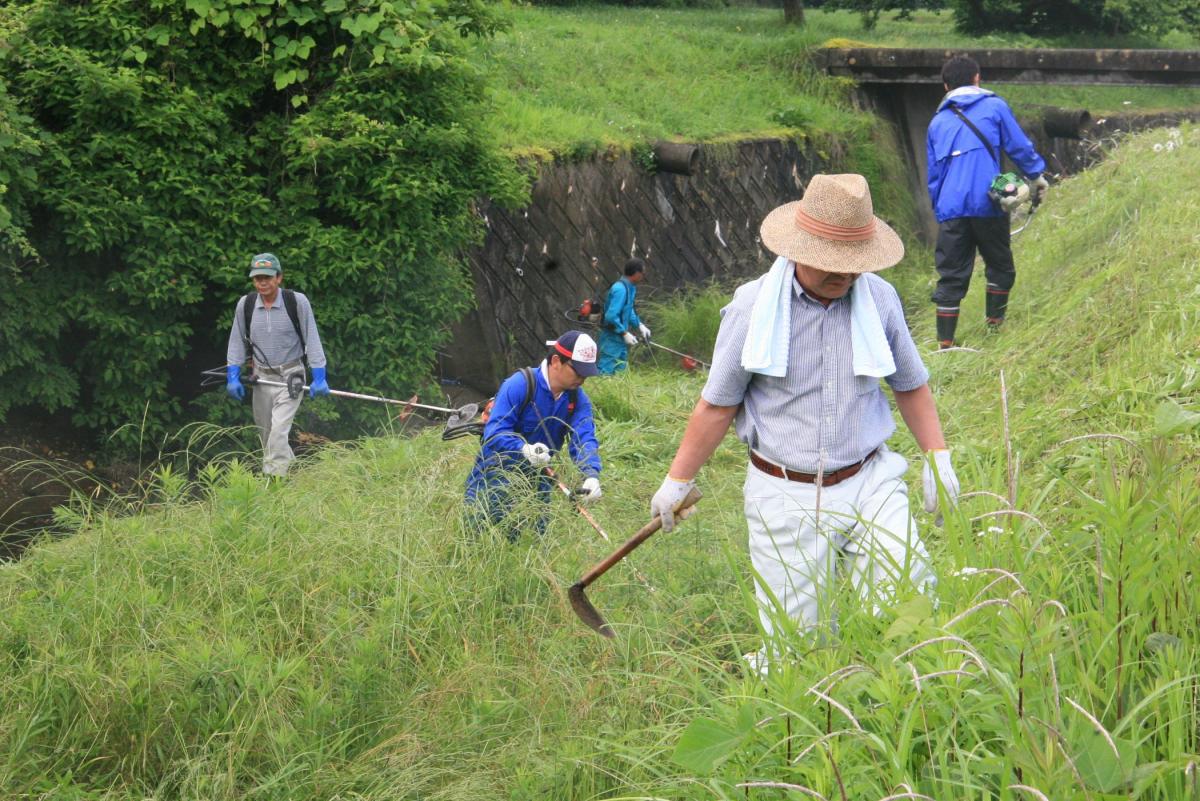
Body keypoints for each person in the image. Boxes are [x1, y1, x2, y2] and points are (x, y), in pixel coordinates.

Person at [649, 174, 961, 671]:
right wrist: (676, 480)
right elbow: (718, 404)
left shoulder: (878, 299)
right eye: (832, 264)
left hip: (869, 477)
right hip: (785, 490)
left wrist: (938, 457)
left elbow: (909, 384)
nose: (845, 276)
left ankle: (907, 710)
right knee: (800, 648)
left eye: (854, 265)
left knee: (909, 602)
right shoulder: (754, 308)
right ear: (799, 249)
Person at [927, 54, 1049, 348]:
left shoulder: (937, 123)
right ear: (977, 78)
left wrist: (941, 209)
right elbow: (1018, 145)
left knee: (951, 275)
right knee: (999, 265)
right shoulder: (994, 107)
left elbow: (934, 174)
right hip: (988, 203)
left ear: (946, 86)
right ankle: (995, 328)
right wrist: (1036, 176)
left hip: (951, 209)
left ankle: (945, 343)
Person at [465, 330, 603, 541]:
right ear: (556, 361)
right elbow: (494, 433)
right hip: (494, 477)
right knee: (480, 541)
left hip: (539, 481)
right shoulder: (520, 385)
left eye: (586, 374)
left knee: (533, 544)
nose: (582, 379)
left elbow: (584, 436)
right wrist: (523, 449)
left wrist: (590, 475)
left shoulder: (577, 399)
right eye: (578, 372)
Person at [225, 253, 330, 477]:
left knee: (278, 433)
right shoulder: (246, 304)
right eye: (257, 278)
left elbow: (312, 338)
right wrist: (232, 377)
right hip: (261, 378)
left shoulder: (296, 301)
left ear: (279, 278)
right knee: (267, 436)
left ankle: (274, 484)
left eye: (267, 277)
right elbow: (236, 342)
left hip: (291, 376)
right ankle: (296, 473)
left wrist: (319, 377)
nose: (262, 282)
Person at [597, 258, 652, 375]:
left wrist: (640, 325)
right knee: (606, 371)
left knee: (621, 372)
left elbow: (628, 310)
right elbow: (611, 316)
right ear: (636, 273)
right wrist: (624, 333)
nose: (643, 276)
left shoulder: (630, 287)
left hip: (619, 339)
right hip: (611, 337)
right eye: (643, 273)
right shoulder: (620, 289)